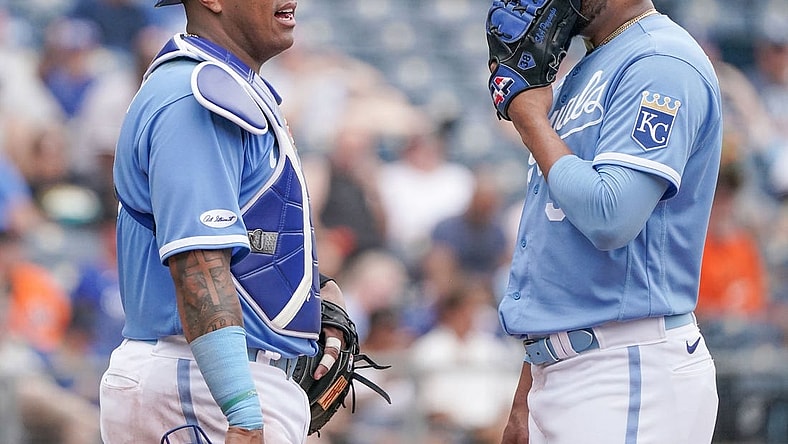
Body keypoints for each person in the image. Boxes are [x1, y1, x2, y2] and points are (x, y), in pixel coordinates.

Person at [100, 1, 349, 443]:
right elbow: (198, 262)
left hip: (204, 379)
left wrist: (310, 294)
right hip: (201, 383)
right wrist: (242, 410)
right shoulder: (195, 96)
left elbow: (245, 235)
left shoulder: (229, 87)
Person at [488, 1, 722, 443]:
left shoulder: (660, 63)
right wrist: (528, 388)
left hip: (627, 370)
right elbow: (558, 254)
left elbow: (611, 215)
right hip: (566, 370)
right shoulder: (595, 64)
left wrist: (530, 119)